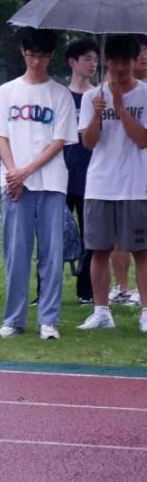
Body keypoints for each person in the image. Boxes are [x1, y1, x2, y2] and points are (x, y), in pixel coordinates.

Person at [0, 27, 77, 341]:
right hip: (15, 185)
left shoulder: (60, 95)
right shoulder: (6, 92)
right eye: (31, 54)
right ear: (23, 53)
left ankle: (48, 319)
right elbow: (0, 135)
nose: (36, 61)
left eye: (42, 55)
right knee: (16, 253)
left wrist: (25, 171)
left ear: (51, 56)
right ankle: (13, 319)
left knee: (52, 253)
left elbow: (59, 141)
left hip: (51, 183)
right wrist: (13, 173)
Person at [76, 34, 147, 334]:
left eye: (125, 62)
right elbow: (88, 142)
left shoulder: (144, 94)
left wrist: (119, 107)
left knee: (141, 251)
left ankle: (146, 312)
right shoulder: (92, 97)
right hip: (100, 184)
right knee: (99, 250)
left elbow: (142, 139)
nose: (120, 68)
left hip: (136, 184)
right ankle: (101, 311)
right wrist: (98, 114)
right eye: (114, 61)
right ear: (107, 62)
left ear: (134, 62)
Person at [106, 34, 147, 307]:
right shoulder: (105, 91)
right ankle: (121, 287)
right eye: (140, 51)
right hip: (119, 175)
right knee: (118, 236)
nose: (143, 56)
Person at [62, 38, 99, 305]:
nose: (92, 64)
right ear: (72, 62)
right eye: (87, 58)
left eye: (96, 59)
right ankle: (45, 290)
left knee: (91, 238)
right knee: (54, 235)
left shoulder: (99, 97)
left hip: (91, 177)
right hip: (61, 176)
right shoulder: (59, 97)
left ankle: (86, 291)